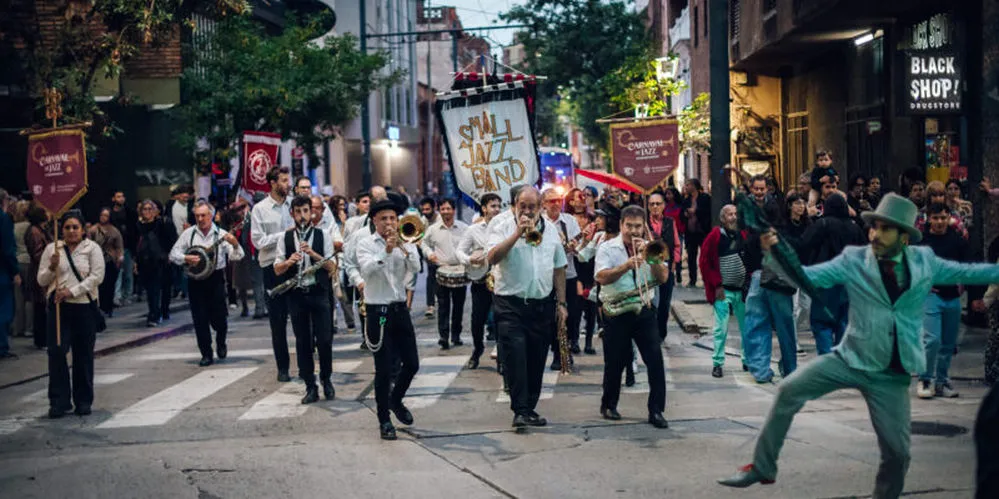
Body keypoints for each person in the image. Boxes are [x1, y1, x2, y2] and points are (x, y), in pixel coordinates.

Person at [717, 193, 999, 498]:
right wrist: (775, 253)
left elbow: (970, 272)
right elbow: (807, 277)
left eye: (884, 228)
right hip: (849, 358)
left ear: (904, 237)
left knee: (898, 455)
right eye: (874, 227)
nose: (875, 234)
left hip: (891, 374)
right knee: (788, 390)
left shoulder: (925, 262)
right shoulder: (855, 260)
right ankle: (763, 466)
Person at [486, 186, 568, 430]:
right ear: (514, 206)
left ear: (541, 205)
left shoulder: (550, 230)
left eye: (533, 206)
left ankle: (529, 407)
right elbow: (492, 257)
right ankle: (520, 410)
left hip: (540, 305)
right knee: (516, 356)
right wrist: (516, 233)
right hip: (510, 304)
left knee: (536, 357)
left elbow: (559, 266)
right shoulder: (500, 225)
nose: (528, 211)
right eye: (523, 206)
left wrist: (562, 303)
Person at [595, 205, 671, 428]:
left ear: (644, 226)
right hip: (616, 311)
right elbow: (601, 277)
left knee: (655, 360)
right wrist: (626, 265)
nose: (634, 231)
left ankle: (656, 410)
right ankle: (609, 404)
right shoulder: (608, 248)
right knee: (615, 362)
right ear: (621, 225)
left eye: (638, 226)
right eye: (629, 226)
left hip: (643, 309)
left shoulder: (652, 247)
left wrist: (652, 259)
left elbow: (663, 278)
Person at [356, 197, 421, 440]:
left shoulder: (406, 238)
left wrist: (404, 247)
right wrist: (386, 250)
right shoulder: (365, 244)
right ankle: (384, 420)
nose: (389, 223)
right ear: (374, 220)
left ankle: (396, 400)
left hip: (399, 309)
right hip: (378, 312)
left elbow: (415, 268)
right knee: (383, 370)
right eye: (384, 219)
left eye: (393, 218)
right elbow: (367, 271)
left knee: (412, 364)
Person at [38, 211, 105, 417]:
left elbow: (97, 277)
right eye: (67, 227)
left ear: (83, 229)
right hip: (59, 309)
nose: (71, 231)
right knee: (57, 352)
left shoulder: (92, 248)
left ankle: (83, 400)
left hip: (83, 306)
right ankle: (59, 401)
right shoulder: (52, 249)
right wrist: (52, 267)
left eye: (75, 227)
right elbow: (41, 280)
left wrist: (72, 291)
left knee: (83, 355)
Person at [274, 196, 336, 403]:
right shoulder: (285, 237)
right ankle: (310, 385)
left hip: (319, 292)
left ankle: (326, 378)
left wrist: (314, 254)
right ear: (292, 214)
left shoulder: (322, 235)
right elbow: (276, 268)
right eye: (298, 211)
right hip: (297, 294)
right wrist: (289, 261)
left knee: (325, 340)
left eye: (306, 211)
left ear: (312, 212)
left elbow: (332, 266)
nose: (303, 215)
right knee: (303, 342)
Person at [916, 202, 977, 399]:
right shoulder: (922, 242)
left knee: (948, 344)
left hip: (952, 297)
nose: (940, 222)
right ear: (929, 218)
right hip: (930, 296)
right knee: (932, 339)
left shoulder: (957, 240)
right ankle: (925, 378)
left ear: (948, 217)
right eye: (936, 218)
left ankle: (942, 381)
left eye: (943, 217)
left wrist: (972, 293)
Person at [798, 193, 866, 354]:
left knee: (822, 323)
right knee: (843, 322)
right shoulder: (854, 228)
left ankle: (826, 362)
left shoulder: (822, 224)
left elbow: (804, 244)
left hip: (824, 281)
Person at [251, 166, 294, 380]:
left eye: (288, 180)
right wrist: (283, 236)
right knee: (277, 322)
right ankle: (283, 367)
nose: (288, 184)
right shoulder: (260, 209)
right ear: (273, 183)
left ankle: (305, 366)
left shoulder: (294, 206)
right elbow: (258, 241)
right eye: (284, 180)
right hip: (271, 268)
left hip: (294, 266)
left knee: (300, 319)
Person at [456, 193, 502, 369]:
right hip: (481, 280)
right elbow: (460, 251)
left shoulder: (506, 228)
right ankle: (477, 350)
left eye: (498, 206)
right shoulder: (473, 230)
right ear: (484, 208)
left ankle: (501, 357)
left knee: (500, 319)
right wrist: (469, 260)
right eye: (493, 206)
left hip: (500, 280)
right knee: (477, 320)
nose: (497, 209)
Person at [420, 198, 469, 349]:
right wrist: (429, 254)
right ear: (439, 210)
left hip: (460, 270)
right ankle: (443, 336)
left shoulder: (464, 228)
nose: (445, 212)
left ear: (454, 210)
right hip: (440, 270)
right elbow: (423, 242)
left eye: (448, 209)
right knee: (443, 305)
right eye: (443, 209)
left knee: (458, 306)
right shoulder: (433, 229)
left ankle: (456, 335)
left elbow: (471, 244)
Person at [541, 188, 581, 369]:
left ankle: (567, 351)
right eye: (551, 201)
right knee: (550, 318)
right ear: (543, 204)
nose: (556, 204)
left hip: (568, 274)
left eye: (558, 200)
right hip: (547, 276)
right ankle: (557, 353)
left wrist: (574, 245)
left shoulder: (569, 221)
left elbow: (578, 245)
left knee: (570, 316)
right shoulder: (539, 222)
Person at [136, 200, 177, 326]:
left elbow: (172, 240)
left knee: (164, 288)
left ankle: (162, 311)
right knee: (151, 289)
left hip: (162, 260)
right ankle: (153, 312)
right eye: (145, 209)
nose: (147, 212)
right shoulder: (138, 225)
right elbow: (135, 244)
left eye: (150, 209)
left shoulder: (163, 223)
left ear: (155, 211)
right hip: (145, 261)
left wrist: (171, 255)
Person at [647, 192, 681, 340]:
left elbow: (677, 245)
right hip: (649, 269)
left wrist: (674, 263)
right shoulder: (644, 223)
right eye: (652, 204)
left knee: (664, 303)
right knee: (650, 302)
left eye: (658, 204)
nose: (655, 207)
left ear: (663, 205)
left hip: (667, 268)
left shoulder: (670, 222)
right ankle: (651, 333)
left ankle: (661, 333)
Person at [87, 208, 124, 318]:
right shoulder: (93, 230)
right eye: (102, 215)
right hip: (97, 260)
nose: (103, 217)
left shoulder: (114, 231)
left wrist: (119, 257)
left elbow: (119, 246)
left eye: (106, 215)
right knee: (100, 285)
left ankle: (108, 307)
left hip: (110, 260)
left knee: (110, 285)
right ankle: (100, 307)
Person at [25, 205, 51, 350]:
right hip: (38, 270)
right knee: (40, 307)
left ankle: (42, 338)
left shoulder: (40, 230)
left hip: (40, 269)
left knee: (41, 306)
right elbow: (37, 253)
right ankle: (41, 339)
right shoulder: (35, 232)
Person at [682, 178, 711, 287]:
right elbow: (682, 213)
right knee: (691, 257)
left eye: (688, 185)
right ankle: (692, 279)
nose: (686, 187)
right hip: (690, 232)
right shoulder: (686, 200)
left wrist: (696, 211)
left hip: (702, 231)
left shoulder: (705, 198)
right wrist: (686, 214)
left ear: (694, 186)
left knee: (705, 257)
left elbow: (708, 212)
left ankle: (706, 279)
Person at [0, 189, 18, 359]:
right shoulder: (3, 218)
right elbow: (7, 249)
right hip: (2, 271)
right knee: (4, 309)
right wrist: (15, 271)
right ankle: (1, 346)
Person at [12, 200, 31, 339]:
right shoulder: (31, 227)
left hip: (17, 262)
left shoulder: (13, 227)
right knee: (29, 297)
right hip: (29, 262)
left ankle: (17, 328)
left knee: (18, 297)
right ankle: (29, 328)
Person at [419, 196, 440, 317]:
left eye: (427, 209)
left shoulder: (440, 219)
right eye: (423, 210)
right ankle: (430, 305)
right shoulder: (422, 220)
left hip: (441, 251)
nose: (425, 212)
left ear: (434, 208)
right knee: (431, 276)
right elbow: (420, 236)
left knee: (438, 278)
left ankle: (438, 299)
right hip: (429, 253)